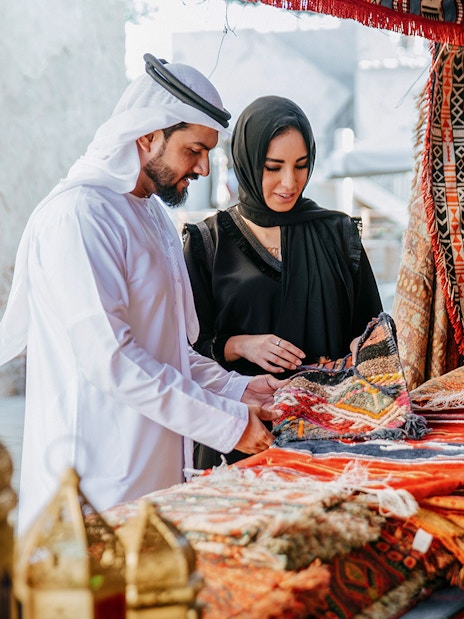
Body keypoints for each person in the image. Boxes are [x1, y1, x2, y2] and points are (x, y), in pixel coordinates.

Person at [0, 55, 284, 535]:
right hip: (93, 487)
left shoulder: (152, 216)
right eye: (194, 150)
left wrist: (238, 389)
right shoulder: (80, 217)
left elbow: (169, 348)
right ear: (148, 135)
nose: (203, 167)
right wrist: (231, 424)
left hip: (153, 482)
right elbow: (114, 360)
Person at [183, 95, 383, 469]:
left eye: (301, 166)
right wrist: (241, 345)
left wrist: (360, 352)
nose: (289, 183)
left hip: (334, 437)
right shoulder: (208, 243)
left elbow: (373, 333)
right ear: (246, 160)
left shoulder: (337, 234)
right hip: (242, 439)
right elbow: (184, 353)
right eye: (273, 167)